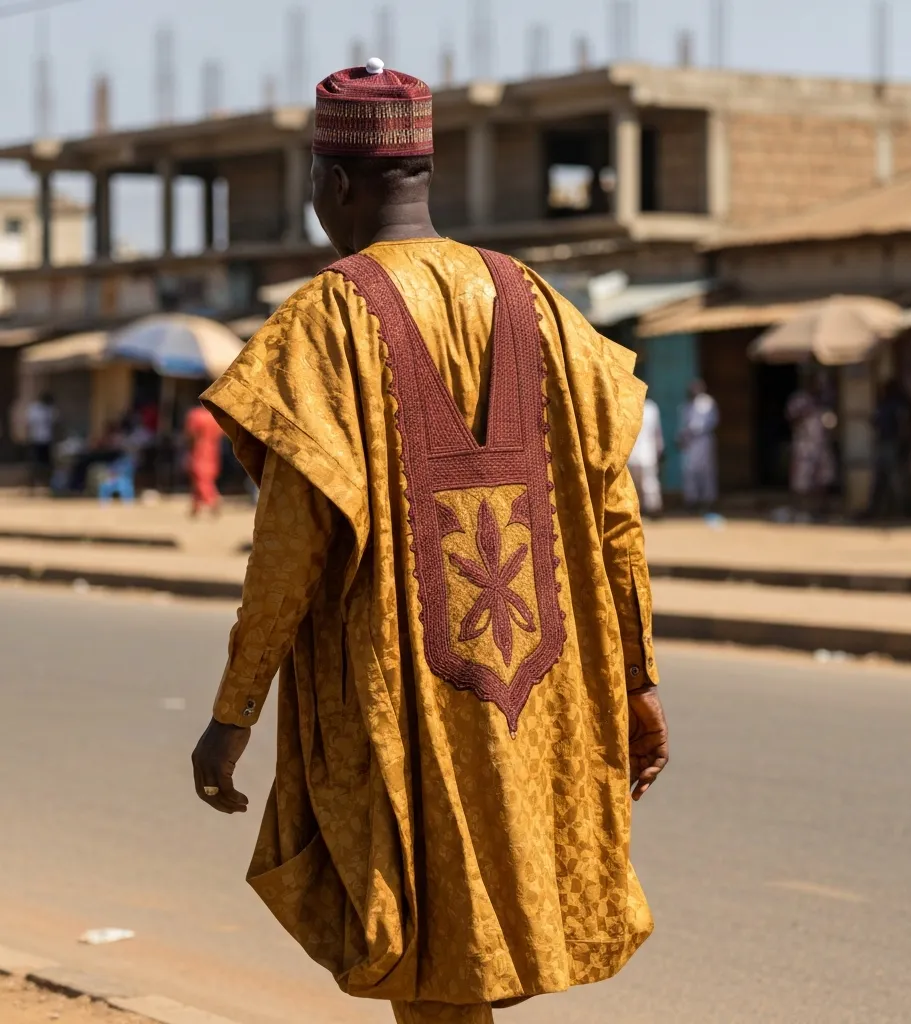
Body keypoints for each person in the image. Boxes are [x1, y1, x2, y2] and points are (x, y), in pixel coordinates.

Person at [190, 58, 668, 1024]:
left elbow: (291, 544)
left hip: (402, 691)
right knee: (466, 957)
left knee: (427, 944)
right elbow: (616, 516)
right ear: (425, 173)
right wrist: (639, 679)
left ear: (331, 184)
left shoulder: (324, 320)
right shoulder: (539, 302)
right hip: (537, 681)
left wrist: (233, 713)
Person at [786, 373, 837, 520]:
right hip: (804, 445)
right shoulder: (800, 400)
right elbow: (791, 418)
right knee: (801, 480)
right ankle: (799, 510)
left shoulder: (825, 400)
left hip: (821, 445)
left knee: (823, 479)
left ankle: (819, 511)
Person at [866, 378, 911, 520]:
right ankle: (878, 510)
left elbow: (903, 425)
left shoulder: (898, 404)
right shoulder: (884, 404)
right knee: (882, 479)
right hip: (884, 443)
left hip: (893, 444)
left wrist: (903, 444)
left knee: (899, 479)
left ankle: (907, 510)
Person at [677, 379, 719, 511]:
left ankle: (708, 500)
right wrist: (681, 437)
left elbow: (713, 420)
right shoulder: (686, 405)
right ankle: (692, 500)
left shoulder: (707, 402)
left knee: (706, 471)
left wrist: (695, 430)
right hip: (690, 442)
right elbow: (682, 425)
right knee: (689, 471)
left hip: (704, 440)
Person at [184, 403, 223, 516]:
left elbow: (190, 433)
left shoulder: (196, 415)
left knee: (200, 477)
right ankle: (195, 506)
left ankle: (213, 500)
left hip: (199, 448)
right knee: (205, 477)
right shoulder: (215, 417)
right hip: (213, 449)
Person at [627, 397, 664, 516]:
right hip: (632, 453)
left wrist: (660, 449)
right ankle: (638, 511)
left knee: (650, 483)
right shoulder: (628, 402)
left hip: (648, 452)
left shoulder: (651, 408)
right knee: (634, 484)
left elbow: (657, 432)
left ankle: (653, 510)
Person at [24, 393, 58, 492]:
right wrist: (28, 438)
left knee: (47, 463)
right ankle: (33, 484)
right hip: (36, 440)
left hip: (47, 440)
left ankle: (47, 484)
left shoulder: (50, 410)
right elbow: (28, 425)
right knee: (35, 463)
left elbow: (55, 424)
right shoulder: (34, 409)